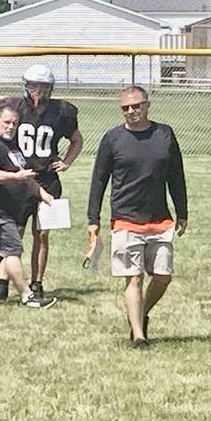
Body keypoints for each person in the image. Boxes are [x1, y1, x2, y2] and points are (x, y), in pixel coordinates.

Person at [87, 85, 188, 349]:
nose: (131, 112)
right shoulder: (112, 139)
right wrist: (93, 218)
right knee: (134, 277)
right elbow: (99, 180)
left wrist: (182, 210)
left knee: (163, 276)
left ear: (147, 105)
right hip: (125, 218)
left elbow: (176, 174)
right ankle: (139, 335)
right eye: (125, 108)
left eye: (136, 106)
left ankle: (141, 312)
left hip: (159, 219)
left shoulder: (164, 134)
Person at [0, 64, 83, 302]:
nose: (38, 91)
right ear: (25, 86)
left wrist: (67, 162)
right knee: (12, 233)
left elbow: (77, 140)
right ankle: (3, 282)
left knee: (42, 234)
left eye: (44, 86)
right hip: (18, 180)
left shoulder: (62, 111)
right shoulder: (13, 107)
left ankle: (37, 283)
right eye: (34, 86)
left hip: (47, 179)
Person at [0, 99, 57, 308]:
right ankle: (28, 296)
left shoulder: (10, 146)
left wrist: (43, 194)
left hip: (5, 210)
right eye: (6, 122)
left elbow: (25, 175)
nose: (11, 127)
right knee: (12, 252)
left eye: (14, 123)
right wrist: (14, 177)